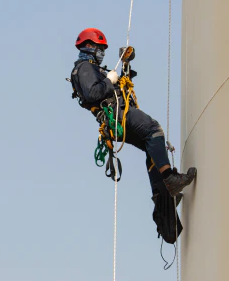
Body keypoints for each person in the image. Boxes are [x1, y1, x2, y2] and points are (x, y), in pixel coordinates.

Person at [69, 27, 196, 198]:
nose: (102, 53)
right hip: (117, 114)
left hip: (116, 119)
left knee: (150, 146)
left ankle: (163, 201)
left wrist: (125, 64)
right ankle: (170, 179)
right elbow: (93, 93)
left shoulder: (93, 69)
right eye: (100, 49)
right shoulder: (85, 67)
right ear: (89, 46)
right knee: (153, 130)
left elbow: (118, 86)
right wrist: (108, 80)